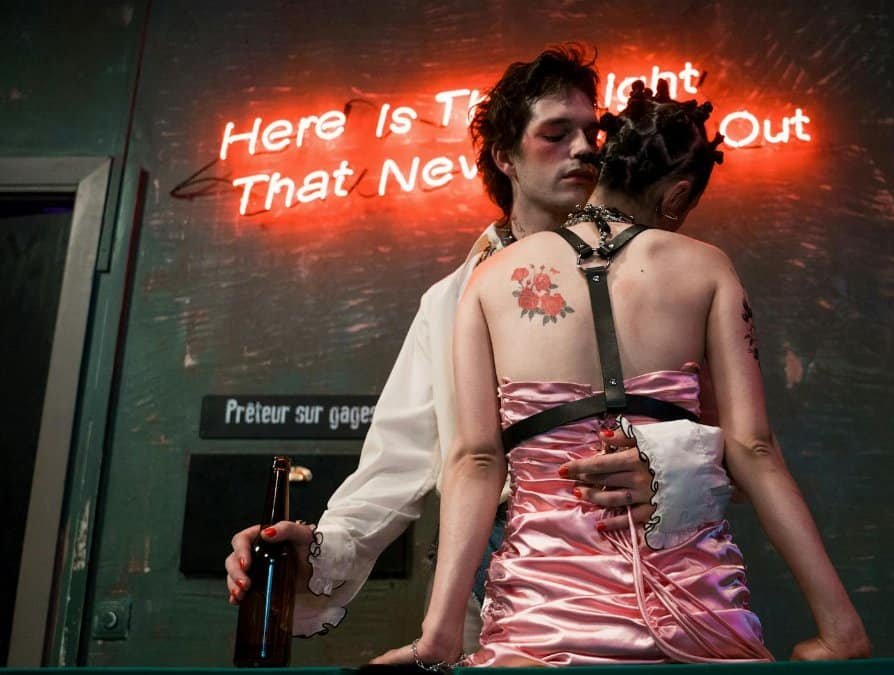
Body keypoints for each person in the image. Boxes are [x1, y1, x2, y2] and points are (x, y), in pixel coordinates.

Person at [225, 45, 732, 649]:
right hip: (499, 594)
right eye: (555, 133)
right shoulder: (451, 300)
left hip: (662, 578)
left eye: (591, 132)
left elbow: (735, 436)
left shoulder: (665, 274)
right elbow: (397, 462)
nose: (582, 149)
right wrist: (316, 554)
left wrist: (668, 467)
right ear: (504, 157)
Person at [374, 80, 871, 667]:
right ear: (678, 193)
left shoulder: (489, 280)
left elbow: (476, 462)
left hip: (543, 621)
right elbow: (754, 450)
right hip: (696, 619)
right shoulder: (707, 268)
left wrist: (437, 638)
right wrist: (841, 631)